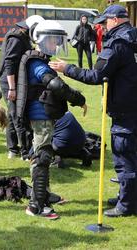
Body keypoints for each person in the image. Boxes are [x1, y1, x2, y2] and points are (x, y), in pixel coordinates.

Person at [49, 5, 137, 217]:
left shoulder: (117, 43)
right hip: (132, 105)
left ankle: (127, 205)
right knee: (132, 157)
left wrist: (66, 69)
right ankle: (127, 197)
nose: (104, 27)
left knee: (124, 159)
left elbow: (96, 76)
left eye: (106, 22)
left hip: (125, 110)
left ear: (115, 20)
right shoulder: (133, 38)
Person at [16, 20, 87, 219]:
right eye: (53, 39)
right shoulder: (38, 63)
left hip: (42, 116)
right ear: (41, 39)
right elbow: (55, 85)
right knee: (42, 157)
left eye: (58, 40)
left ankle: (43, 196)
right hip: (41, 117)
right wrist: (79, 99)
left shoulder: (38, 59)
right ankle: (37, 205)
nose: (56, 44)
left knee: (41, 156)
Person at [0, 15, 44, 161]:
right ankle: (24, 152)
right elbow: (10, 62)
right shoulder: (16, 38)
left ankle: (13, 149)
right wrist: (12, 88)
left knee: (13, 114)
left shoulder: (22, 35)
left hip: (15, 79)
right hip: (9, 80)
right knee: (17, 114)